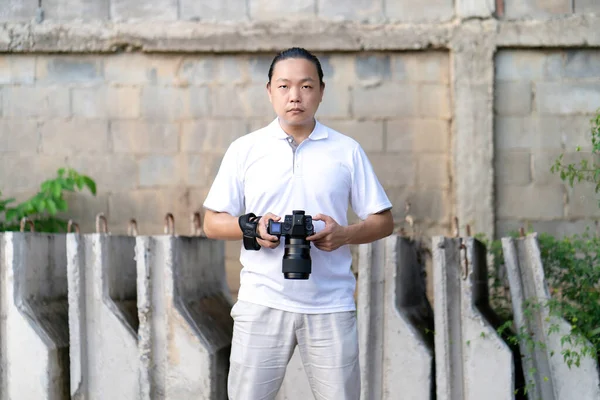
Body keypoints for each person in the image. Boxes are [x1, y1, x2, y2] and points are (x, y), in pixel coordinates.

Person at [203, 47, 394, 400]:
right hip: (261, 301)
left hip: (330, 304)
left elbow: (383, 221)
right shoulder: (245, 149)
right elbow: (212, 223)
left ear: (321, 91)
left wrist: (343, 234)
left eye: (306, 86)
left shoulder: (346, 150)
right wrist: (254, 228)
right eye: (284, 86)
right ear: (269, 91)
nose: (295, 96)